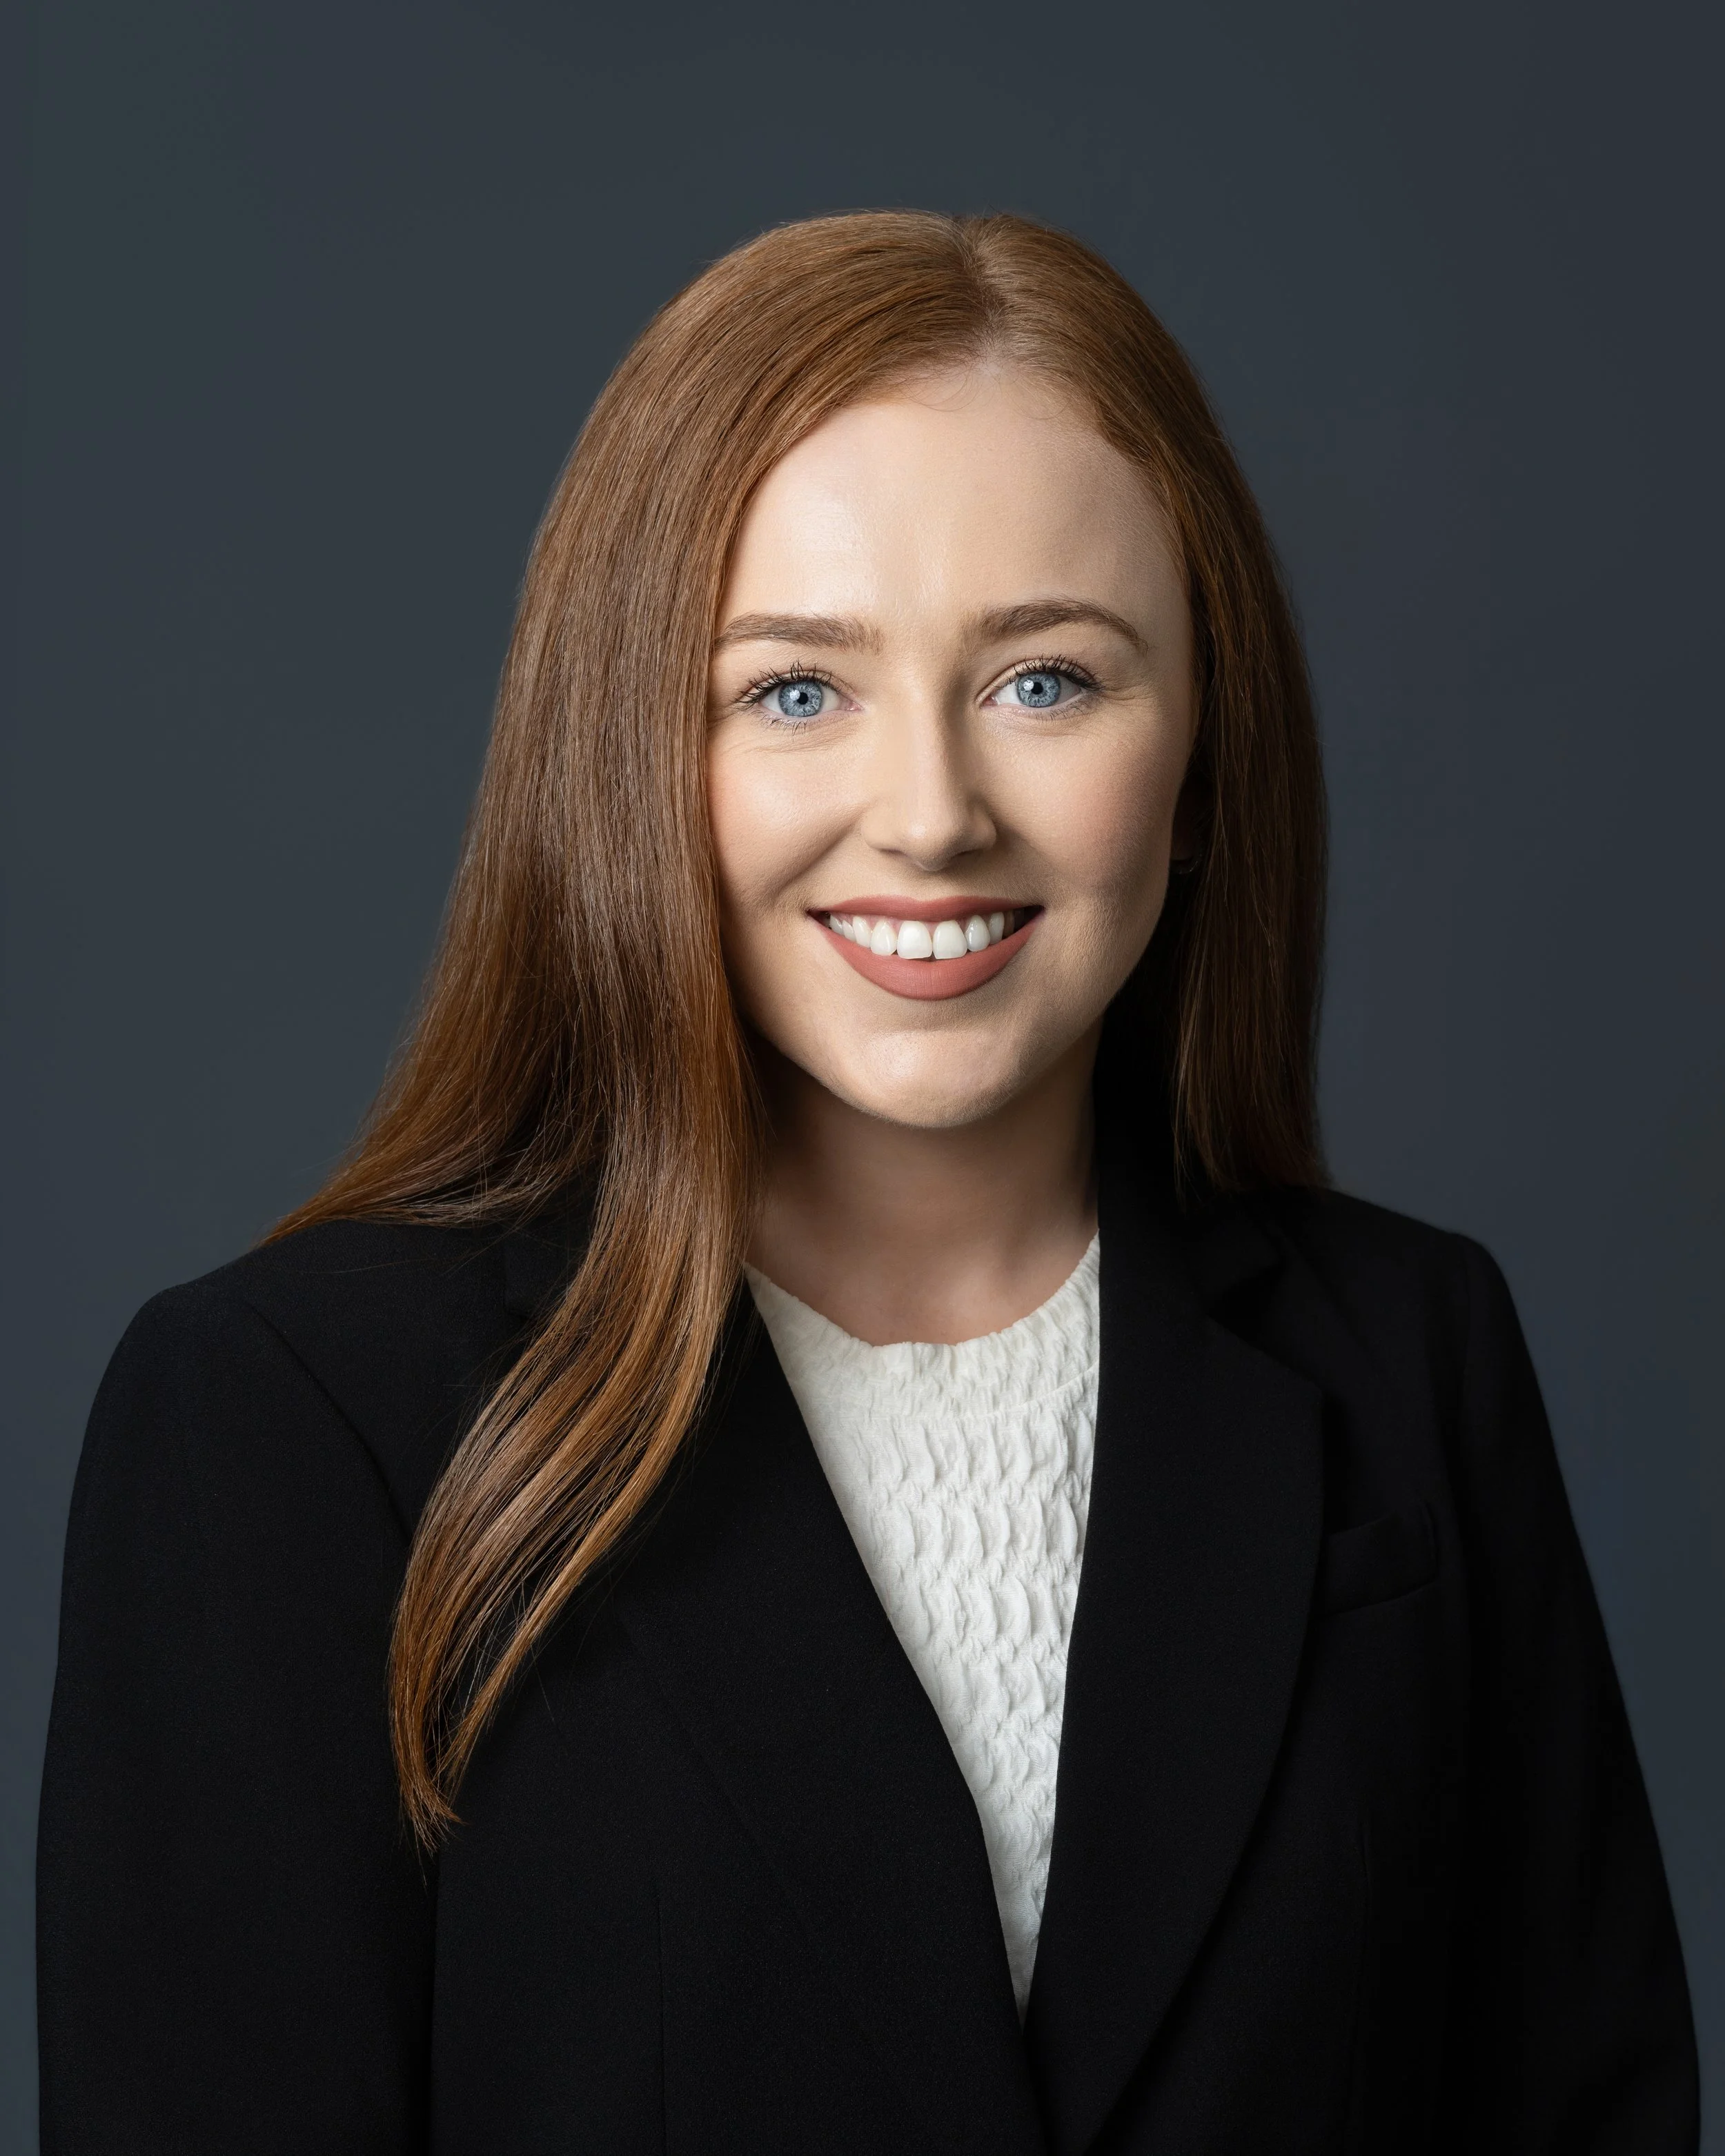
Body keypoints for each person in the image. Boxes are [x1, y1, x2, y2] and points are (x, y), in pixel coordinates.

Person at [36, 211, 1697, 2155]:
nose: (927, 811)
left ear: (1202, 746)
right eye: (795, 692)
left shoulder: (1411, 1358)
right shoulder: (283, 1424)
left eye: (1048, 681)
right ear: (630, 748)